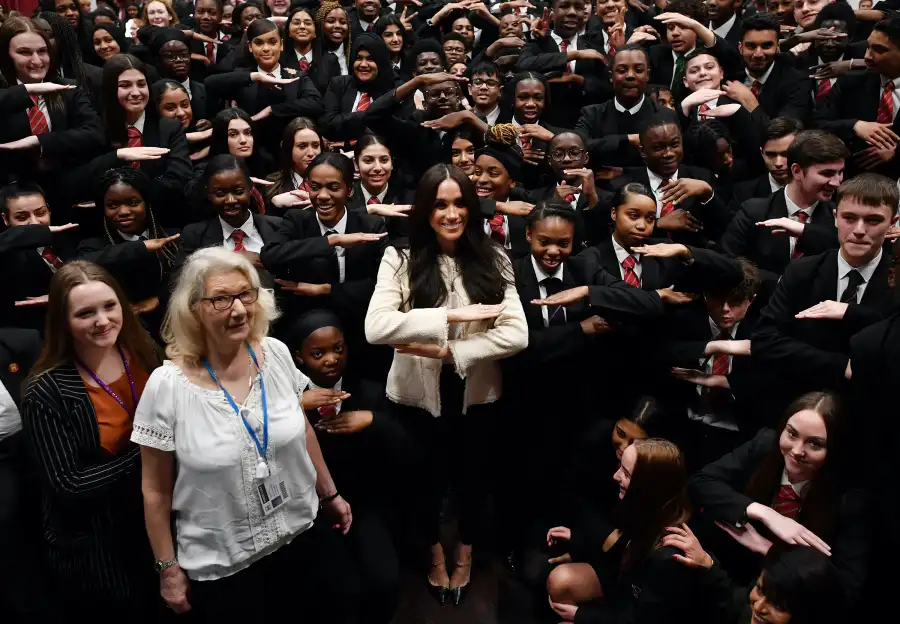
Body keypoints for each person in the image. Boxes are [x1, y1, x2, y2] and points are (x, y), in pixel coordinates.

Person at [132, 246, 361, 621]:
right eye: (221, 299)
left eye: (245, 294)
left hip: (301, 531)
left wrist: (330, 493)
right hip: (226, 560)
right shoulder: (167, 386)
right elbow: (155, 490)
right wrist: (167, 568)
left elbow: (302, 429)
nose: (238, 309)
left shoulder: (274, 353)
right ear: (194, 309)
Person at [364, 163, 528, 606]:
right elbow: (377, 327)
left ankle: (466, 554)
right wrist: (452, 316)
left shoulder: (494, 257)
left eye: (459, 204)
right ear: (425, 209)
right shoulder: (399, 258)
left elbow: (517, 334)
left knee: (474, 483)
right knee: (422, 484)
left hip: (477, 396)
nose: (451, 214)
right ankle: (434, 555)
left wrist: (451, 352)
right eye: (440, 205)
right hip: (415, 399)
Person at [21, 261, 161, 618]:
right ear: (63, 322)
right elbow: (68, 483)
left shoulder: (144, 349)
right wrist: (153, 448)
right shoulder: (45, 390)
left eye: (109, 306)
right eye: (85, 313)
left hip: (162, 520)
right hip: (101, 545)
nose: (103, 320)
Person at [689, 391, 872, 605]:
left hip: (784, 604)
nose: (796, 451)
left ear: (834, 449)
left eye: (814, 444)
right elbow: (700, 482)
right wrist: (764, 513)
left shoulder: (850, 500)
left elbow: (845, 590)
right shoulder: (765, 445)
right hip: (726, 575)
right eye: (792, 434)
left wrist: (770, 550)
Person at [288, 309, 408, 624]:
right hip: (308, 512)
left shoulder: (370, 392)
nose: (332, 359)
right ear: (299, 358)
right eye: (318, 354)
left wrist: (373, 420)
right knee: (336, 593)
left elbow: (407, 451)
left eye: (338, 349)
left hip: (364, 505)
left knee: (385, 582)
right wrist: (294, 406)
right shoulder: (283, 401)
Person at [751, 173, 897, 413]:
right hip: (801, 402)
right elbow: (764, 341)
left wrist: (851, 313)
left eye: (873, 220)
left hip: (874, 412)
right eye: (849, 218)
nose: (859, 230)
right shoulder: (802, 271)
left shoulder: (896, 278)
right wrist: (839, 365)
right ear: (835, 218)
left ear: (893, 223)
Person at [261, 153, 388, 377]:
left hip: (358, 328)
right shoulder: (297, 220)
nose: (322, 196)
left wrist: (325, 290)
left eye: (333, 187)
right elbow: (270, 255)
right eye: (315, 187)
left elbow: (379, 285)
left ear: (349, 190)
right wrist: (332, 240)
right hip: (306, 330)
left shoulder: (371, 225)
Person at [544, 438, 696, 623]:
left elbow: (640, 619)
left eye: (626, 474)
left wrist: (582, 616)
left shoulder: (668, 557)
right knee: (559, 580)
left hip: (637, 613)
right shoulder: (646, 511)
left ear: (646, 485)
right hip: (625, 596)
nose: (616, 476)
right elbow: (618, 557)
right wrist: (577, 542)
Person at [0, 16, 105, 214]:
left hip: (65, 196)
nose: (37, 60)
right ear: (6, 56)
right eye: (24, 52)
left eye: (42, 51)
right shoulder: (5, 95)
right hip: (12, 201)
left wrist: (40, 141)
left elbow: (95, 134)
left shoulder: (67, 88)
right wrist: (26, 91)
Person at [73, 53, 193, 227]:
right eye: (125, 85)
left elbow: (179, 178)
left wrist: (121, 199)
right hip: (106, 225)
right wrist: (117, 156)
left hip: (160, 220)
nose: (136, 93)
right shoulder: (94, 129)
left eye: (141, 84)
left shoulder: (169, 127)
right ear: (110, 89)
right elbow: (78, 179)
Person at [721, 129, 845, 297]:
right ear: (797, 171)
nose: (837, 183)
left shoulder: (839, 217)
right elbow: (728, 261)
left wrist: (805, 231)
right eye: (827, 173)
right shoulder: (754, 211)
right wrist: (781, 283)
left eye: (840, 172)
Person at [76, 168, 181, 336]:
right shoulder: (92, 247)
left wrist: (159, 298)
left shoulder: (174, 238)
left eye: (133, 203)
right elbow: (77, 266)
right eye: (113, 205)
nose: (123, 212)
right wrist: (140, 247)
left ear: (147, 202)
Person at [203, 18, 325, 156]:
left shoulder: (296, 76)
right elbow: (209, 83)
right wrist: (255, 76)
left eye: (272, 42)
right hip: (251, 154)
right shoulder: (242, 77)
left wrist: (273, 110)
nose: (266, 48)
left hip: (290, 154)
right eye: (259, 43)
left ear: (281, 45)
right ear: (250, 47)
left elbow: (317, 104)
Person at [610, 112, 735, 245]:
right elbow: (612, 231)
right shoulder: (625, 185)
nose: (669, 153)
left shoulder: (703, 178)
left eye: (674, 145)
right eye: (659, 147)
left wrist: (708, 195)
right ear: (642, 151)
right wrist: (657, 224)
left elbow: (728, 230)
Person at [813, 15, 900, 179]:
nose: (867, 56)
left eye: (879, 50)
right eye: (868, 47)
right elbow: (817, 123)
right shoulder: (850, 82)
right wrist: (854, 125)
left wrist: (897, 152)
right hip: (851, 180)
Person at [179, 154, 283, 274]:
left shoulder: (279, 227)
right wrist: (235, 259)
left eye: (238, 192)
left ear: (250, 189)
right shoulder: (194, 236)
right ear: (209, 195)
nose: (231, 200)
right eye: (220, 194)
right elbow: (179, 281)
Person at [516, 0, 612, 128]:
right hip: (541, 124)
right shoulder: (538, 41)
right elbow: (523, 65)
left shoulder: (593, 46)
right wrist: (574, 55)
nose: (572, 12)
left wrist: (578, 79)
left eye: (578, 7)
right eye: (565, 6)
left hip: (583, 125)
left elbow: (607, 88)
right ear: (552, 14)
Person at [0, 182, 78, 331]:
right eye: (21, 217)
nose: (35, 222)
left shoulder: (68, 238)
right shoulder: (7, 258)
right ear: (5, 219)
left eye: (41, 213)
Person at [576, 45, 666, 170]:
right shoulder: (591, 114)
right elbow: (577, 147)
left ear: (648, 75)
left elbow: (670, 161)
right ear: (610, 77)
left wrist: (625, 173)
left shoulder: (664, 116)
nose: (630, 75)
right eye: (622, 70)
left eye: (638, 70)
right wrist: (626, 140)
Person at [320, 33, 395, 142]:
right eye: (358, 58)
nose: (363, 64)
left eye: (370, 59)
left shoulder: (394, 89)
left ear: (380, 62)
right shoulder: (339, 84)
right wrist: (371, 115)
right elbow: (328, 125)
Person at [732, 116, 802, 205]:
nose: (778, 163)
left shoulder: (815, 191)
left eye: (786, 154)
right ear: (762, 153)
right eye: (771, 155)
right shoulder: (743, 193)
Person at [281, 5, 341, 94]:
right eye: (296, 23)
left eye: (308, 23)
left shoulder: (330, 61)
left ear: (315, 32)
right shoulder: (279, 61)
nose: (302, 27)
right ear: (288, 31)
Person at [318, 1, 352, 76]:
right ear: (320, 25)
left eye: (343, 22)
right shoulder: (312, 56)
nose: (338, 26)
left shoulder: (354, 55)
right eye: (331, 21)